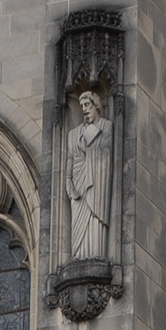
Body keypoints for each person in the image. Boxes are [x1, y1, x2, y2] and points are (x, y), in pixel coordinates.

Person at [65, 86, 113, 261]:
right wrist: (68, 183)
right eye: (82, 106)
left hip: (96, 182)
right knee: (78, 222)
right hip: (78, 182)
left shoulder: (106, 127)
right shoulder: (72, 134)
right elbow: (70, 159)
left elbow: (106, 153)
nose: (84, 109)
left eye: (87, 105)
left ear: (96, 106)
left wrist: (91, 148)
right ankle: (78, 255)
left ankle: (95, 253)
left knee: (94, 218)